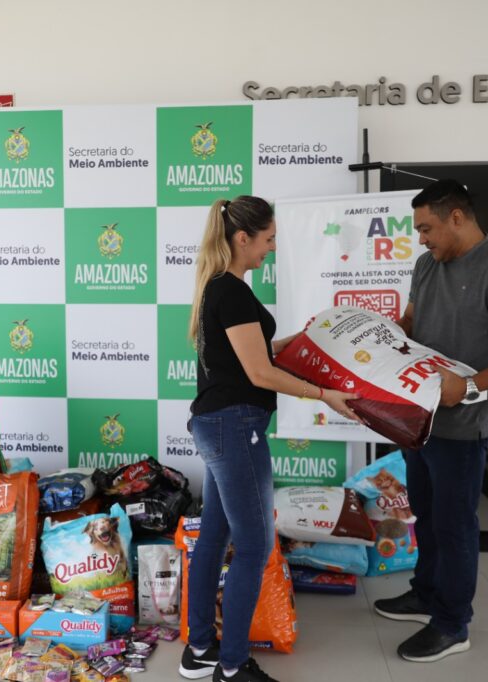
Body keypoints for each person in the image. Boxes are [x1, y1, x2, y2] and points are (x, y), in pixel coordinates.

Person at [179, 195, 357, 682]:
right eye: (269, 239)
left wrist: (296, 341)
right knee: (254, 547)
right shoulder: (230, 291)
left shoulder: (221, 287)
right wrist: (324, 394)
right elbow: (258, 373)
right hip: (233, 427)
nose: (271, 248)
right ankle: (233, 666)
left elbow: (249, 354)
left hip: (221, 425)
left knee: (214, 536)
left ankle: (199, 651)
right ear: (242, 238)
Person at [373, 179, 488, 662]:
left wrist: (468, 388)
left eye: (427, 228)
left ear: (457, 217)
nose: (421, 238)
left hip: (464, 428)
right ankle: (426, 593)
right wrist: (380, 333)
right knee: (425, 516)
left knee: (455, 526)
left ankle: (452, 623)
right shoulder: (427, 265)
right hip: (419, 419)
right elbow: (412, 320)